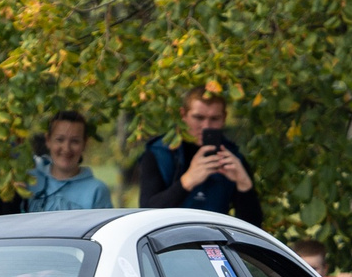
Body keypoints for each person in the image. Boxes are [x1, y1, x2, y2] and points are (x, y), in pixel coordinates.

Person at [131, 88, 265, 223]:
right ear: (183, 115)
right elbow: (146, 213)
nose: (206, 126)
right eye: (198, 118)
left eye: (214, 119)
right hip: (168, 239)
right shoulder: (159, 153)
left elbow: (253, 226)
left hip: (214, 238)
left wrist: (244, 184)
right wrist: (187, 181)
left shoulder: (232, 157)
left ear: (224, 118)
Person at [28, 112, 113, 212]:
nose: (66, 149)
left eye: (75, 141)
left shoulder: (97, 191)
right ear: (48, 140)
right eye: (60, 140)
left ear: (85, 143)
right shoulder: (30, 181)